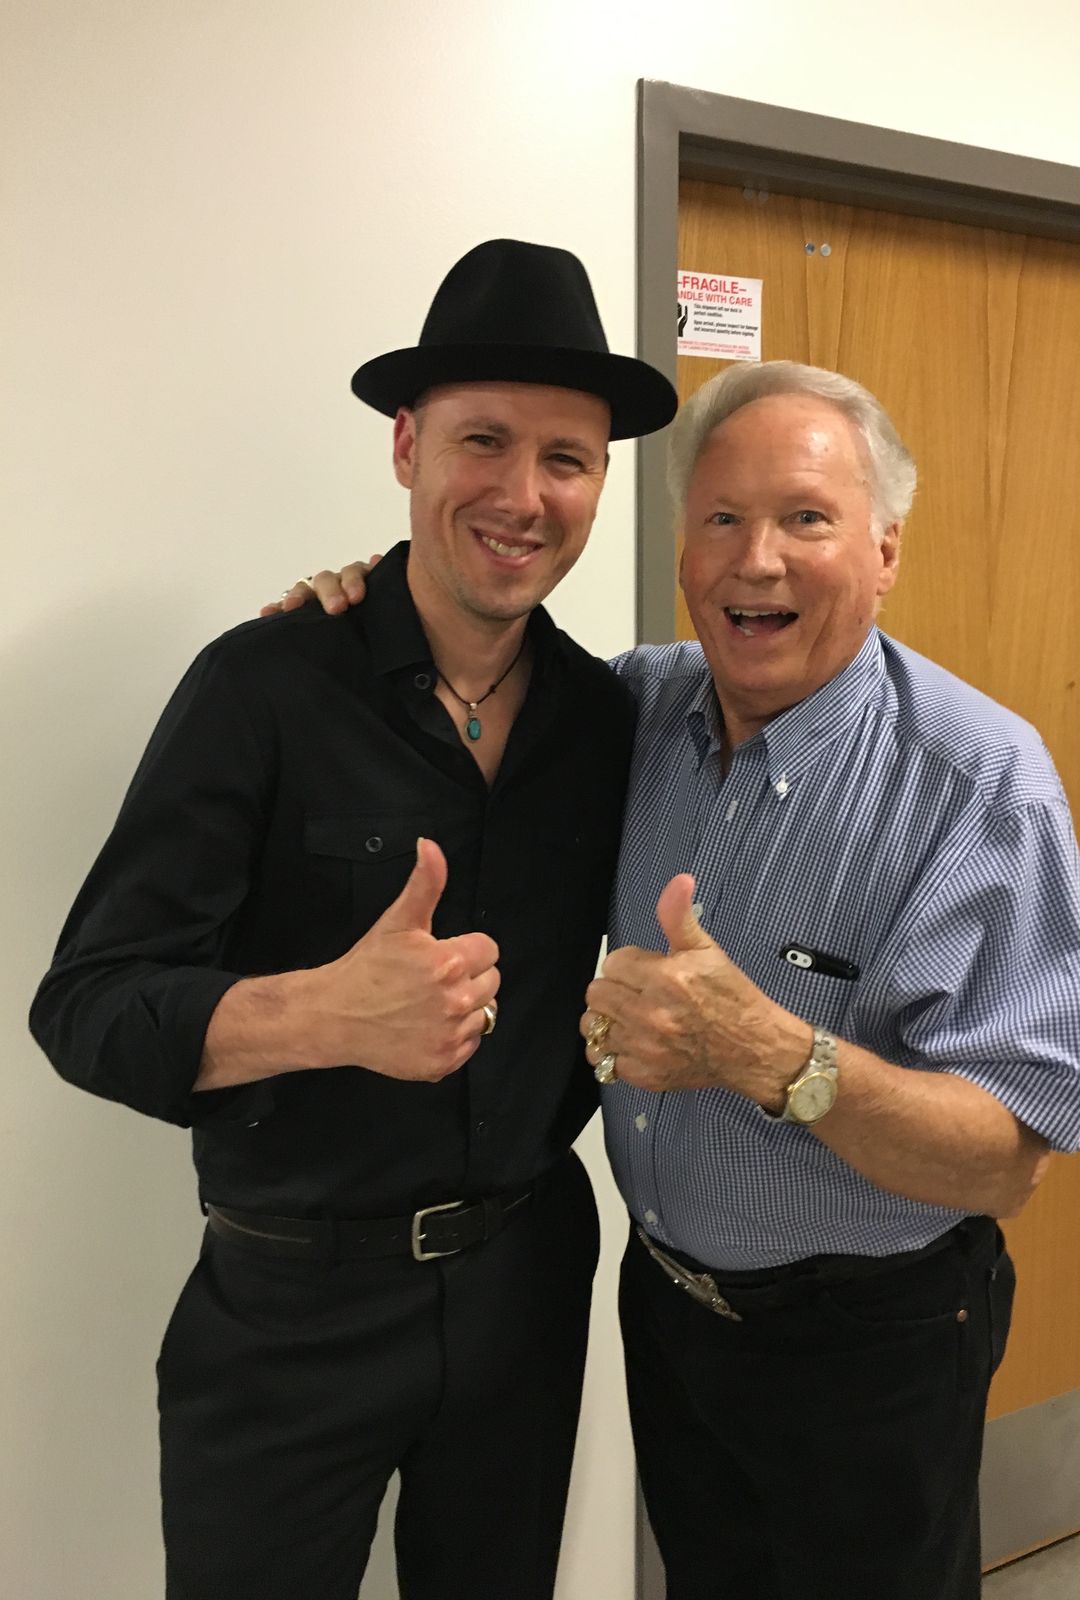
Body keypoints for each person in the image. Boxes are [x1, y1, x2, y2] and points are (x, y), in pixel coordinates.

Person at [290, 359, 1080, 1600]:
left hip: (869, 1342)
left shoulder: (981, 782)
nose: (755, 560)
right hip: (666, 1308)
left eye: (806, 518)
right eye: (722, 517)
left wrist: (771, 1056)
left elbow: (1007, 1161)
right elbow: (464, 663)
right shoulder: (633, 708)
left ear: (884, 548)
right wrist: (354, 615)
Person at [29, 238, 677, 1600]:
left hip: (524, 1284)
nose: (522, 494)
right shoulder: (262, 688)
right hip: (288, 1315)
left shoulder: (608, 719)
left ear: (600, 484)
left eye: (566, 458)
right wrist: (318, 1013)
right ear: (405, 446)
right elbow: (86, 1006)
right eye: (483, 441)